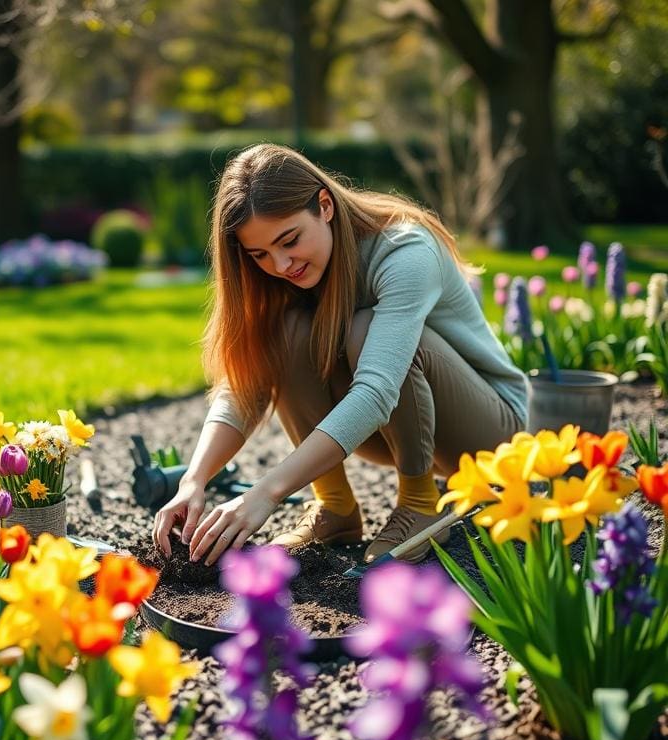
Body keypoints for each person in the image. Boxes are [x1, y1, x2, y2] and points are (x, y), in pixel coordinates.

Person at [152, 144, 528, 567]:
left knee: (366, 330)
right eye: (259, 254)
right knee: (283, 333)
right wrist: (194, 479)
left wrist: (267, 491)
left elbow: (377, 390)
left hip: (489, 433)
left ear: (325, 205)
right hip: (396, 429)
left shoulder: (406, 251)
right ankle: (335, 506)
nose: (280, 264)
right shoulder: (282, 273)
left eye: (289, 240)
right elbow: (245, 383)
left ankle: (420, 501)